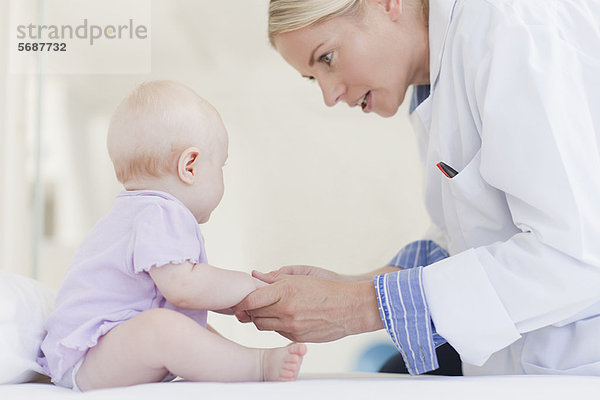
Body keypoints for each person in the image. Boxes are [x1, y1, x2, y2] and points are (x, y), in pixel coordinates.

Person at [235, 0, 600, 376]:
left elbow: (572, 252)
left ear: (386, 4)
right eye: (314, 78)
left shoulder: (511, 28)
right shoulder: (436, 76)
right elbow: (472, 238)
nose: (329, 96)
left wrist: (359, 305)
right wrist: (357, 285)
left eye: (326, 58)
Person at [38, 80, 306, 391]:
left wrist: (235, 301)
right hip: (91, 353)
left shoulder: (133, 212)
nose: (222, 176)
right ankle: (256, 365)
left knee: (190, 327)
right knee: (167, 329)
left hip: (95, 350)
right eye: (221, 165)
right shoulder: (161, 212)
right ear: (190, 166)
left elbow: (183, 294)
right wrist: (249, 285)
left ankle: (248, 360)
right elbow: (185, 286)